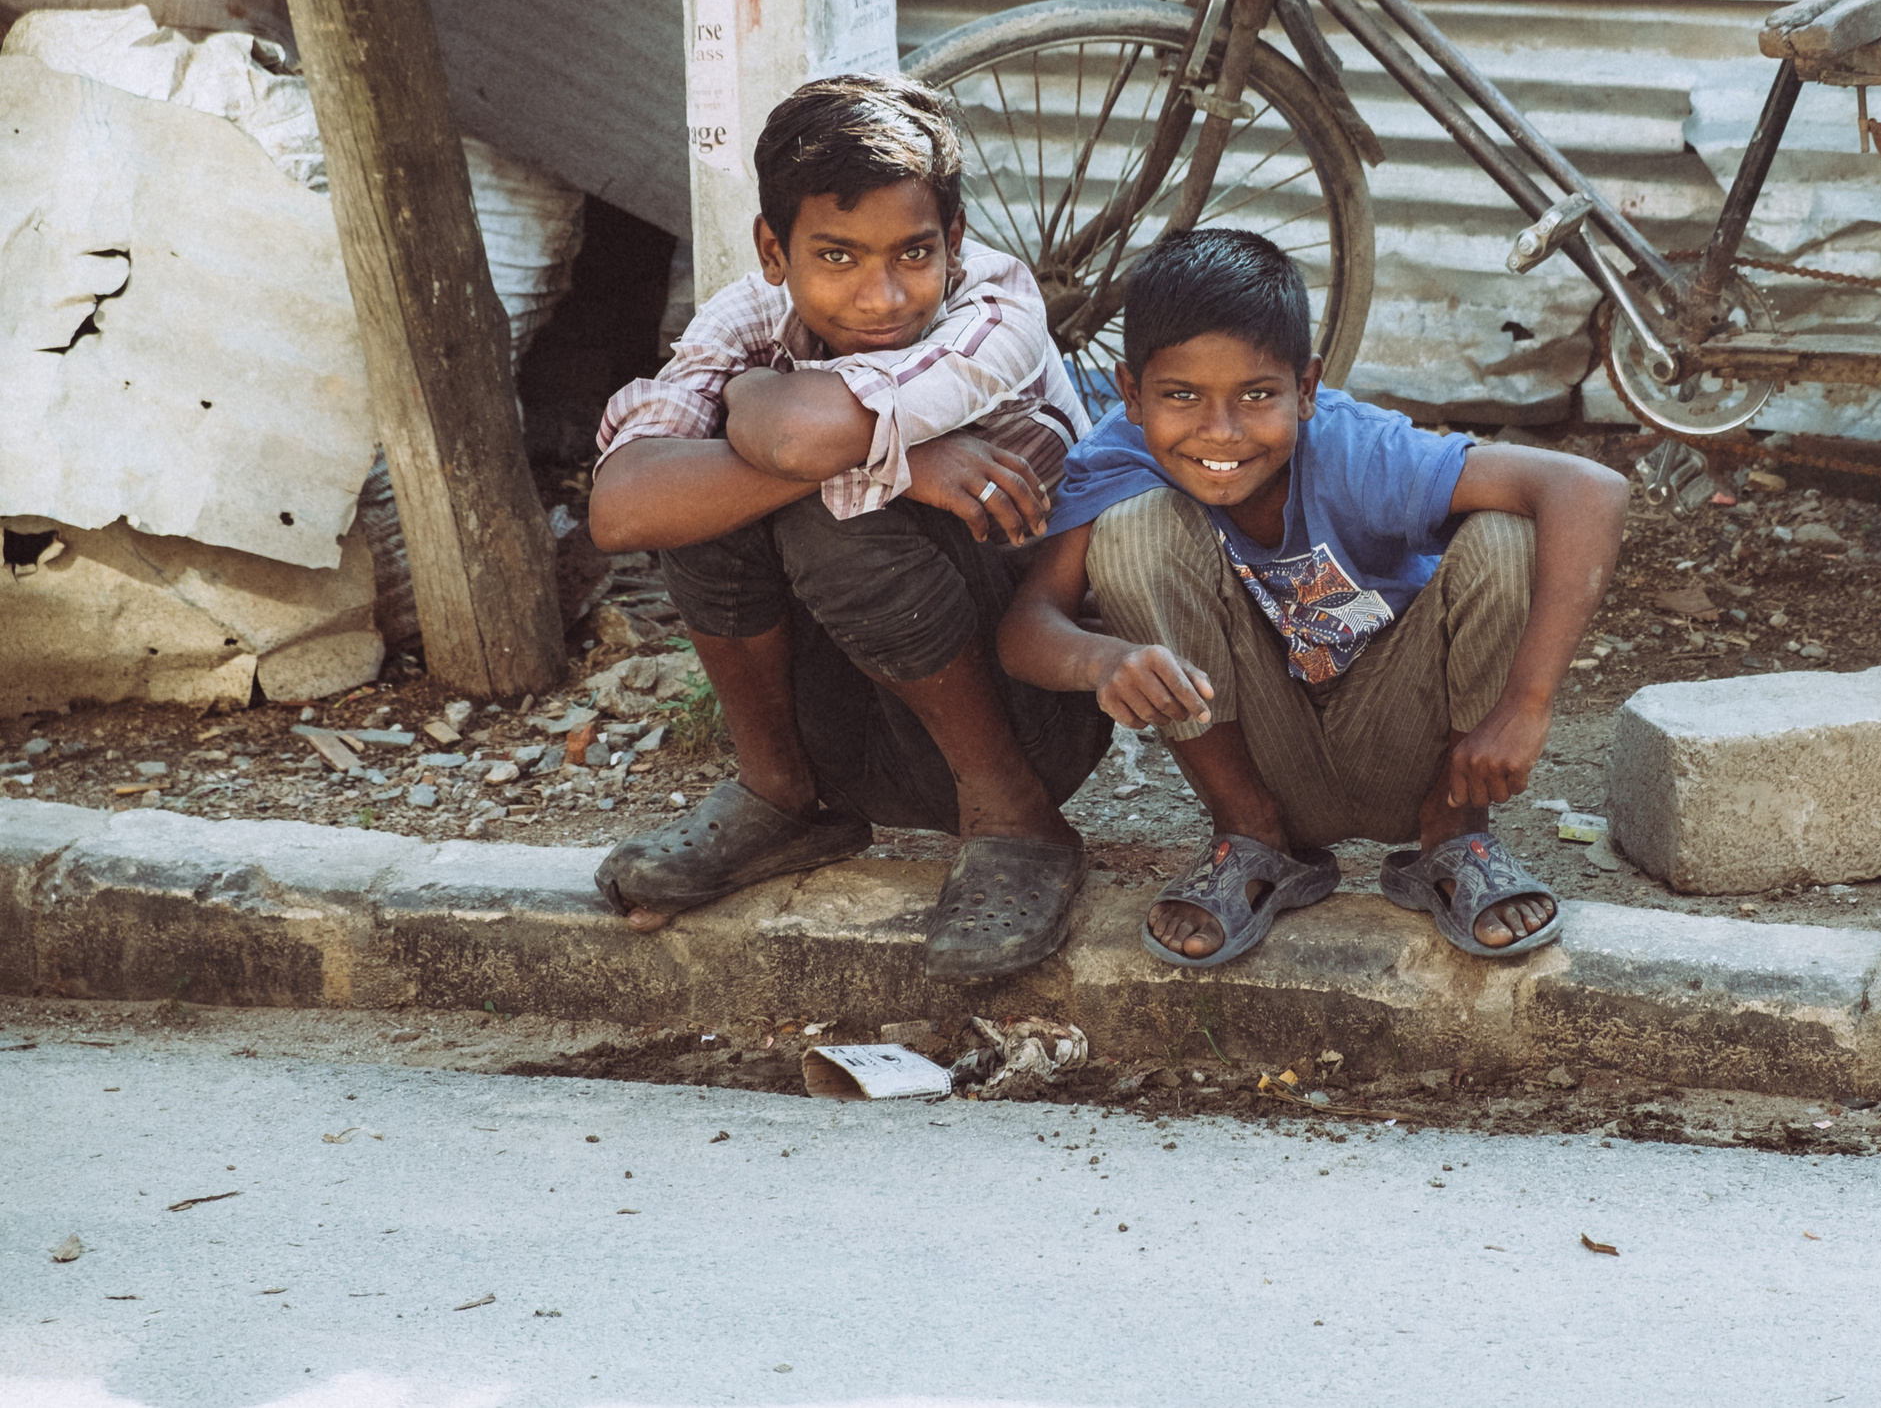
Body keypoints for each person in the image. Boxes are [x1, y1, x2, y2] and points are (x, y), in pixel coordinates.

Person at [586, 73, 1109, 981]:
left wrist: (755, 400)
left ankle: (1015, 818)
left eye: (914, 252)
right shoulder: (748, 311)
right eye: (838, 258)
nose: (883, 297)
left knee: (831, 508)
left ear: (951, 240)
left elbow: (801, 434)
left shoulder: (997, 308)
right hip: (851, 723)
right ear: (773, 249)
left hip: (1028, 706)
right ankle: (780, 794)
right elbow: (623, 505)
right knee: (734, 501)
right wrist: (904, 462)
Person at [998, 228, 1628, 966]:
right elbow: (1026, 627)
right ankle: (1250, 836)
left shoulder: (1356, 449)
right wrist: (1103, 660)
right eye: (1181, 396)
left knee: (1503, 534)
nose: (1221, 432)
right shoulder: (1119, 456)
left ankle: (1457, 839)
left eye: (1257, 395)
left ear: (1306, 387)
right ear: (1131, 393)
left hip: (1418, 751)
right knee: (1132, 531)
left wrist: (1527, 702)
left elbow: (1590, 490)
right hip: (1264, 756)